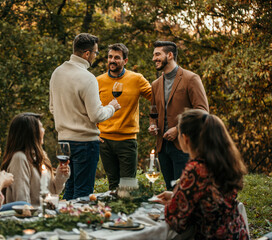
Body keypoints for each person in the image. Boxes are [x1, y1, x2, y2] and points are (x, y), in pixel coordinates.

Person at [156, 109, 249, 239]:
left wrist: (174, 202)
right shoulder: (222, 161)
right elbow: (211, 201)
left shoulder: (196, 169)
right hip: (237, 233)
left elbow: (176, 221)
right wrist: (175, 197)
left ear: (185, 138)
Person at [49, 33, 121, 200]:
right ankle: (79, 224)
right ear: (87, 54)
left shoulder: (57, 73)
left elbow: (53, 108)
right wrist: (111, 107)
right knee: (82, 194)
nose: (96, 56)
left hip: (64, 143)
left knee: (69, 190)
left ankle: (65, 224)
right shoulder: (88, 78)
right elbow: (96, 115)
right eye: (95, 53)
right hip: (85, 144)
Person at [148, 41, 209, 190]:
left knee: (185, 191)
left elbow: (202, 111)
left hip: (184, 145)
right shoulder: (155, 84)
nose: (154, 58)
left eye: (157, 54)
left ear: (169, 55)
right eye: (154, 54)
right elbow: (153, 111)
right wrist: (152, 124)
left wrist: (178, 128)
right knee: (170, 191)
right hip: (162, 147)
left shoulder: (191, 78)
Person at [97, 43, 152, 190]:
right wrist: (93, 131)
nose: (112, 60)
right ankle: (115, 213)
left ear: (125, 61)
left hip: (127, 141)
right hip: (104, 141)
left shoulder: (137, 79)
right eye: (110, 57)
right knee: (113, 186)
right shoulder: (98, 81)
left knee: (128, 187)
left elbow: (156, 98)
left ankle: (127, 212)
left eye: (117, 57)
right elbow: (89, 109)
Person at [1, 113, 70, 207]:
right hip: (30, 218)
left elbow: (52, 192)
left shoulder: (40, 156)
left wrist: (60, 175)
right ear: (31, 133)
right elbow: (22, 202)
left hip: (45, 213)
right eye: (41, 127)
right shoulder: (19, 159)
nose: (44, 130)